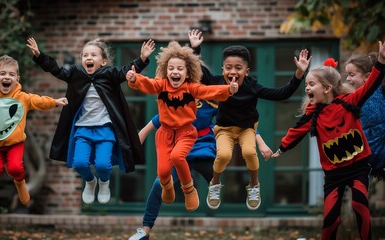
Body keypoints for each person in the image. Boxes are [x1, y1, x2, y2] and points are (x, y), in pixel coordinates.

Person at [271, 40, 385, 240]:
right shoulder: (313, 114)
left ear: (327, 88)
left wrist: (382, 61)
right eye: (306, 85)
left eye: (311, 84)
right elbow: (296, 131)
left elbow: (371, 84)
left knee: (359, 204)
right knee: (331, 219)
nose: (306, 88)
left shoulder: (349, 102)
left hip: (358, 166)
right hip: (333, 174)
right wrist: (281, 149)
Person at [187, 29, 311, 211]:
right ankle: (214, 184)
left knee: (250, 154)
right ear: (223, 69)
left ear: (247, 70)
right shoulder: (217, 82)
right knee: (223, 155)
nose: (233, 72)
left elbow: (281, 94)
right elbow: (199, 72)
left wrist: (299, 74)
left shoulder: (252, 87)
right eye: (228, 67)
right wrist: (195, 49)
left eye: (238, 68)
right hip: (224, 129)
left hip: (247, 130)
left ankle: (254, 186)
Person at [26, 37, 155, 204]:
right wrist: (39, 55)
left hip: (105, 129)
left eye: (93, 55)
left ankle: (104, 182)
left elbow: (125, 71)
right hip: (82, 129)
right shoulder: (75, 74)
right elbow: (56, 70)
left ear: (103, 61)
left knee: (102, 165)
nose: (88, 58)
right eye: (85, 55)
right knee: (79, 163)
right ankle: (90, 181)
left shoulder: (109, 74)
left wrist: (142, 59)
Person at [128, 103, 273, 240]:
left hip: (203, 151)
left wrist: (261, 143)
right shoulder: (176, 102)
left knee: (216, 175)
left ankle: (250, 189)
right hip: (180, 152)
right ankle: (145, 231)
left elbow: (241, 122)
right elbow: (148, 127)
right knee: (159, 184)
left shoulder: (210, 104)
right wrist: (134, 147)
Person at [126, 40, 239, 212]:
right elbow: (147, 84)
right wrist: (135, 79)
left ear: (188, 73)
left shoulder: (191, 88)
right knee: (163, 172)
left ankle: (189, 190)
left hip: (186, 133)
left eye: (180, 69)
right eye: (171, 68)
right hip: (164, 135)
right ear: (165, 71)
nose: (175, 72)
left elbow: (209, 91)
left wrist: (228, 90)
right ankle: (168, 187)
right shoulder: (161, 86)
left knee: (178, 157)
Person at [0, 55, 68, 205]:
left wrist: (54, 102)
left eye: (11, 74)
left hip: (15, 143)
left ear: (17, 79)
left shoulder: (22, 98)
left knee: (15, 168)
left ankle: (20, 183)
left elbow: (39, 101)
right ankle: (6, 165)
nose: (7, 77)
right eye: (3, 73)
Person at [344, 52, 385, 180]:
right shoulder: (351, 98)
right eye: (347, 75)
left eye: (352, 75)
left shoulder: (379, 91)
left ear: (367, 77)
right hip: (365, 155)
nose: (347, 79)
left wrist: (381, 59)